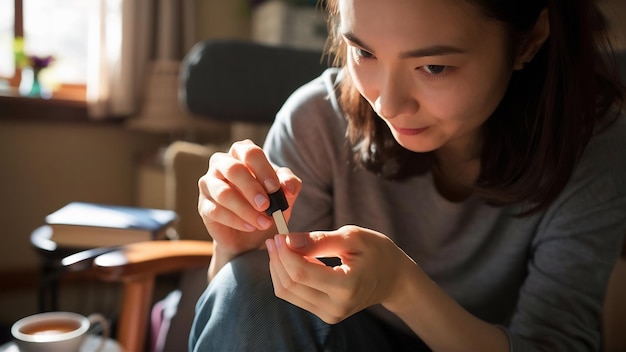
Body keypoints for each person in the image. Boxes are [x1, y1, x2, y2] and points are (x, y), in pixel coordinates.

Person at [190, 0, 626, 350]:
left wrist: (400, 285)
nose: (388, 105)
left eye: (433, 66)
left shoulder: (592, 148)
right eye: (364, 52)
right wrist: (234, 251)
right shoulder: (316, 121)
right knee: (246, 284)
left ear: (527, 43)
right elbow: (249, 318)